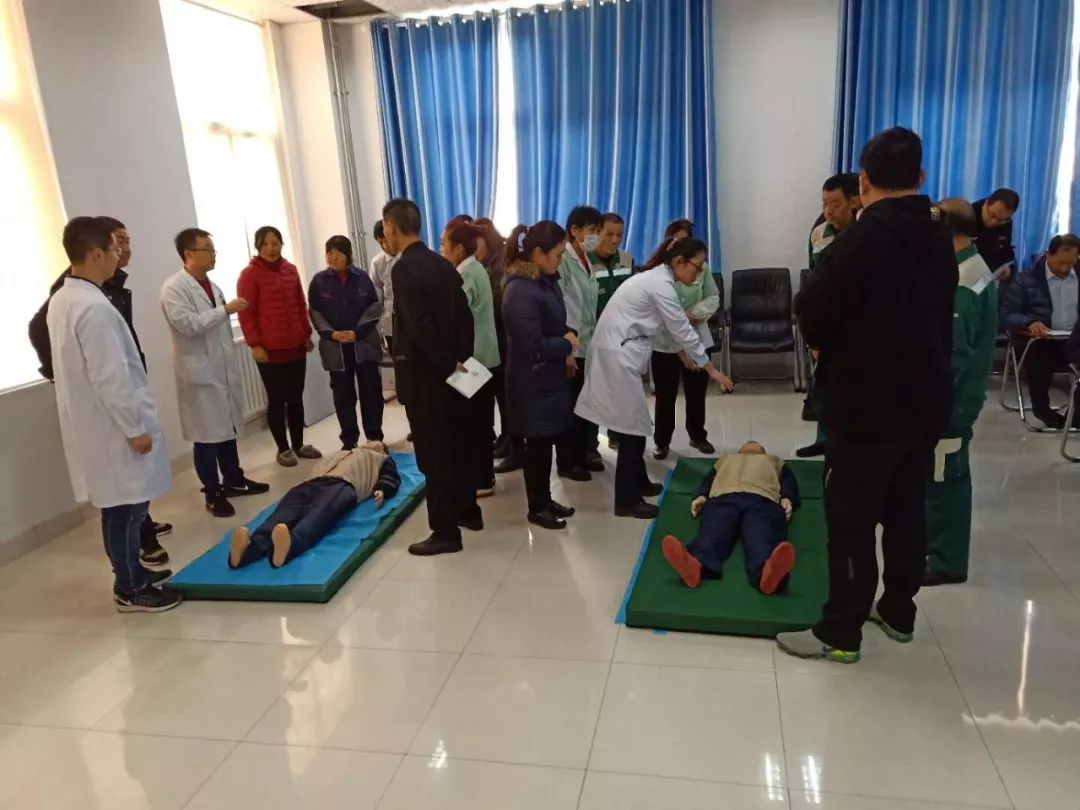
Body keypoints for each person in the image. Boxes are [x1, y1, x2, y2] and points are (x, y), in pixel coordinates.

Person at [776, 127, 958, 664]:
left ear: (863, 183)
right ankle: (898, 611)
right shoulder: (939, 233)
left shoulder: (863, 238)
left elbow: (811, 309)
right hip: (925, 400)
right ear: (921, 176)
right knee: (906, 510)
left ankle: (840, 632)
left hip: (866, 404)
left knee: (851, 520)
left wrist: (831, 342)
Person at [48, 217, 179, 612]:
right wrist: (134, 428)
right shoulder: (92, 307)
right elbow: (111, 376)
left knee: (118, 506)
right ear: (95, 254)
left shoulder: (65, 299)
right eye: (114, 248)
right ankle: (130, 587)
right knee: (127, 508)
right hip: (113, 428)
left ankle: (131, 573)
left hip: (98, 425)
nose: (119, 255)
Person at [576, 238, 734, 519]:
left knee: (635, 424)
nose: (699, 274)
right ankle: (627, 501)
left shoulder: (658, 280)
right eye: (697, 267)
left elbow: (670, 328)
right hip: (617, 356)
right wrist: (713, 370)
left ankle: (639, 483)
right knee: (633, 428)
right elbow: (682, 328)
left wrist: (686, 354)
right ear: (679, 262)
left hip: (621, 352)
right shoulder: (660, 285)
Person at [384, 198, 479, 555]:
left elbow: (418, 327)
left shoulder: (404, 269)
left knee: (433, 455)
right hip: (456, 371)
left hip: (427, 377)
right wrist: (461, 361)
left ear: (391, 227)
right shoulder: (443, 264)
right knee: (458, 444)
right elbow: (465, 318)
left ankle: (445, 531)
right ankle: (468, 511)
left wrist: (445, 366)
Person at [161, 228, 270, 518]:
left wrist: (224, 310)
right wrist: (225, 310)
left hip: (220, 371)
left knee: (226, 430)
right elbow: (187, 324)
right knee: (207, 437)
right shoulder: (174, 288)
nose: (213, 255)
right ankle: (212, 492)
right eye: (207, 249)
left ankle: (234, 479)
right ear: (189, 254)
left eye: (213, 249)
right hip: (199, 375)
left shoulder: (213, 286)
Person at [923, 199, 1000, 587]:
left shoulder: (963, 282)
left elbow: (954, 354)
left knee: (945, 479)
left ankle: (947, 560)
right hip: (957, 396)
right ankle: (935, 547)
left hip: (950, 402)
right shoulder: (974, 267)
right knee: (938, 475)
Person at [502, 221, 580, 529]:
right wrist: (567, 344)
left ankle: (545, 499)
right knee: (536, 448)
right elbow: (531, 345)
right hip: (531, 382)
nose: (560, 261)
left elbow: (554, 324)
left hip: (548, 378)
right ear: (538, 253)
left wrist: (566, 341)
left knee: (545, 444)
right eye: (558, 255)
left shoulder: (544, 282)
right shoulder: (520, 290)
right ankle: (537, 507)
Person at [229, 440, 400, 569]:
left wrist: (382, 489)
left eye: (377, 443)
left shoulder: (381, 459)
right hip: (309, 483)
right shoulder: (342, 453)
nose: (371, 442)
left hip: (343, 485)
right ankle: (249, 549)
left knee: (318, 516)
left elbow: (390, 477)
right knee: (283, 514)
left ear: (383, 450)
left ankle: (289, 546)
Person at [661, 441, 799, 594]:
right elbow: (709, 480)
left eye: (755, 443)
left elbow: (789, 481)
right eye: (748, 443)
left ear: (764, 452)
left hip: (762, 500)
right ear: (739, 451)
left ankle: (767, 573)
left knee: (762, 535)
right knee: (713, 533)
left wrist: (787, 497)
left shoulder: (775, 460)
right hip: (722, 499)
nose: (751, 443)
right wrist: (701, 495)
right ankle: (695, 565)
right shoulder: (725, 459)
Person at [237, 225, 321, 466]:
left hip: (295, 346)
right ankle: (283, 448)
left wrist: (306, 334)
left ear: (282, 244)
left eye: (275, 243)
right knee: (277, 400)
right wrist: (255, 344)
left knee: (296, 398)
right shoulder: (249, 275)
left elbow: (300, 305)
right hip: (269, 351)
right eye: (265, 244)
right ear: (258, 247)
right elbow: (246, 315)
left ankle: (299, 444)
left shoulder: (290, 270)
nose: (271, 248)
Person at [797, 174, 862, 459]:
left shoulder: (867, 234)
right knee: (823, 385)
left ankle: (849, 445)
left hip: (857, 326)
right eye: (824, 203)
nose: (828, 211)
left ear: (854, 201)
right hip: (827, 325)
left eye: (835, 204)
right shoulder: (819, 234)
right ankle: (823, 439)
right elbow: (814, 282)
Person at [441, 220, 500, 498]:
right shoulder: (475, 268)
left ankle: (481, 479)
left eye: (444, 244)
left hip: (473, 358)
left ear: (458, 248)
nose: (441, 249)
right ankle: (482, 475)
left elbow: (455, 315)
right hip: (482, 355)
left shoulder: (466, 274)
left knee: (473, 421)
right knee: (479, 420)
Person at [309, 235, 384, 450]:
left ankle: (374, 437)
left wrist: (357, 332)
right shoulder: (319, 281)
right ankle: (349, 440)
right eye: (329, 253)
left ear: (348, 255)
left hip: (363, 344)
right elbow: (314, 311)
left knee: (371, 392)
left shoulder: (362, 278)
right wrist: (331, 333)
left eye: (338, 253)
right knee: (343, 395)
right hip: (336, 347)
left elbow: (374, 307)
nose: (333, 257)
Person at [650, 242, 720, 460]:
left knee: (696, 393)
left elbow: (713, 297)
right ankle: (662, 441)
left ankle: (698, 435)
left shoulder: (701, 268)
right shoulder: (660, 275)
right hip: (665, 343)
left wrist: (695, 314)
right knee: (665, 396)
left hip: (696, 335)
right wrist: (679, 316)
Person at [1002, 234, 1080, 428]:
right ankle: (1043, 410)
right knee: (1040, 360)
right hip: (1040, 341)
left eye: (1071, 263)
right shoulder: (1025, 280)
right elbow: (1006, 314)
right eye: (1061, 263)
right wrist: (1029, 322)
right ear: (1048, 255)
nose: (1065, 268)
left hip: (1074, 340)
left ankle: (1077, 414)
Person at [557, 205, 605, 479]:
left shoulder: (587, 260)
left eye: (598, 230)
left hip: (587, 344)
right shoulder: (563, 260)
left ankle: (583, 454)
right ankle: (568, 462)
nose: (596, 236)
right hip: (570, 344)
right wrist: (568, 350)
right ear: (574, 230)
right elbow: (560, 306)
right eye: (592, 230)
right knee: (570, 407)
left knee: (584, 404)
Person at [589, 213, 635, 452]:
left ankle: (617, 435)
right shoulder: (584, 260)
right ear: (597, 233)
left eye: (619, 235)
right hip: (592, 337)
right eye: (609, 234)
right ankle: (590, 445)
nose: (615, 240)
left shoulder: (626, 259)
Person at [971, 188, 1020, 277]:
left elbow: (1005, 249)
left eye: (1001, 220)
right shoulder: (966, 217)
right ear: (986, 204)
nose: (994, 222)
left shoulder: (1006, 222)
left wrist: (1007, 268)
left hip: (991, 275)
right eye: (992, 215)